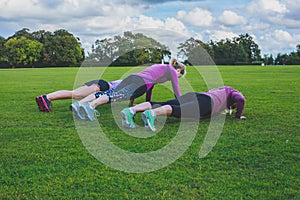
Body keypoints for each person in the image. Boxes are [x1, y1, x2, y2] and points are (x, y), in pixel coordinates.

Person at [71, 58, 187, 121]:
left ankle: (82, 104)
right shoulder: (171, 70)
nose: (177, 78)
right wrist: (182, 103)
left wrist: (147, 103)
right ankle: (91, 106)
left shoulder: (161, 67)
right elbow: (176, 90)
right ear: (178, 70)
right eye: (179, 76)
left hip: (133, 78)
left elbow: (151, 87)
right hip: (140, 83)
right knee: (116, 96)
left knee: (111, 93)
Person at [121, 86, 246, 131]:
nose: (234, 107)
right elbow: (241, 99)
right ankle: (151, 114)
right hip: (207, 102)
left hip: (197, 95)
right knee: (177, 110)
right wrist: (238, 115)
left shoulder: (221, 90)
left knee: (162, 102)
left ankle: (132, 110)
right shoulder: (232, 92)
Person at [35, 79, 121, 112]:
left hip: (100, 83)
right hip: (102, 85)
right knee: (76, 94)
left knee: (76, 94)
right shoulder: (132, 81)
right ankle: (47, 97)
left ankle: (45, 99)